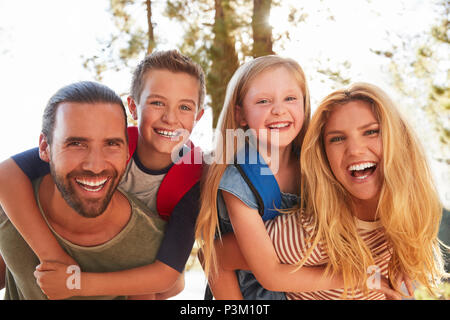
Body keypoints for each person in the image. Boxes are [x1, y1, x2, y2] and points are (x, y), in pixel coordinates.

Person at [208, 82, 447, 299]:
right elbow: (215, 256)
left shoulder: (411, 221)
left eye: (371, 131)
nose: (354, 149)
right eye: (337, 139)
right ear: (325, 157)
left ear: (399, 139)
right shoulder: (310, 236)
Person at [0, 50, 205, 299]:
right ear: (133, 106)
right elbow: (8, 172)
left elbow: (167, 275)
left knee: (169, 288)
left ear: (199, 116)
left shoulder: (193, 177)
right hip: (70, 235)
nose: (170, 118)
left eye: (184, 107)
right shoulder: (108, 140)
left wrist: (76, 283)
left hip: (142, 258)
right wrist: (53, 256)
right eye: (157, 102)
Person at [195, 55, 348, 300]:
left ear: (304, 105)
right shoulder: (238, 180)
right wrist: (356, 278)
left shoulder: (317, 165)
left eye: (290, 98)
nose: (278, 109)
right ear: (241, 114)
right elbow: (270, 275)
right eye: (263, 101)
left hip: (315, 288)